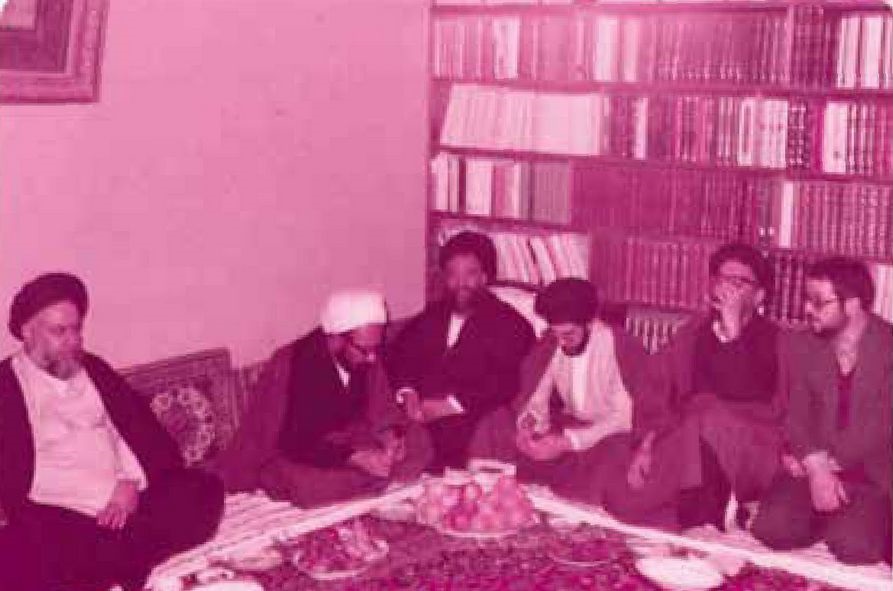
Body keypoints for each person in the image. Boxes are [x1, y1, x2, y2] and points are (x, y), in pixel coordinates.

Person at [0, 272, 224, 591]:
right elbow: (15, 476)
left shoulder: (94, 369)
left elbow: (139, 434)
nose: (73, 340)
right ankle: (124, 559)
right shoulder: (6, 387)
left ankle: (114, 562)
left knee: (203, 490)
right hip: (63, 515)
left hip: (129, 504)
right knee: (20, 550)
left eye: (77, 329)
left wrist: (131, 484)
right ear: (27, 332)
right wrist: (95, 498)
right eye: (59, 331)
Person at [469, 278, 678, 519]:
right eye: (555, 333)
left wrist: (568, 443)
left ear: (590, 322)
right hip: (569, 427)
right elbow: (537, 396)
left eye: (568, 334)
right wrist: (529, 422)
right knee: (496, 423)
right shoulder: (554, 341)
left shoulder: (619, 346)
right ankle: (494, 496)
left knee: (614, 459)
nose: (561, 342)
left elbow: (623, 419)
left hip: (610, 435)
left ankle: (575, 507)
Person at [216, 288, 431, 507]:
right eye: (364, 350)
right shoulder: (292, 363)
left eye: (375, 348)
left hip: (352, 439)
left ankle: (369, 477)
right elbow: (290, 441)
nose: (372, 358)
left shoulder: (367, 356)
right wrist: (355, 458)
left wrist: (391, 438)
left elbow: (383, 408)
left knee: (419, 442)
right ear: (335, 339)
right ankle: (369, 478)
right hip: (301, 452)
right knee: (307, 484)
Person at [627, 242, 785, 531]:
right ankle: (704, 507)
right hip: (686, 434)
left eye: (738, 282)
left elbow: (755, 398)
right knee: (623, 496)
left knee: (706, 415)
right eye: (721, 279)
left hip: (748, 444)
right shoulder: (694, 331)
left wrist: (734, 331)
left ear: (759, 296)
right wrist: (646, 444)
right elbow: (657, 389)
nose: (726, 288)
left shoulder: (775, 339)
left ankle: (715, 510)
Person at [752, 258, 891, 565]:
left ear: (853, 304)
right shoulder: (802, 344)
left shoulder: (889, 347)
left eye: (818, 302)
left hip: (869, 471)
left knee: (854, 548)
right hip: (813, 463)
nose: (807, 309)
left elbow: (881, 427)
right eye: (807, 299)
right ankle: (825, 515)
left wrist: (824, 467)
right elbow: (795, 414)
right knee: (771, 530)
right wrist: (814, 466)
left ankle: (845, 520)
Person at [386, 231, 535, 472]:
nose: (460, 283)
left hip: (470, 415)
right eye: (452, 274)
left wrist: (450, 405)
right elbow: (400, 356)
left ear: (485, 276)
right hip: (418, 412)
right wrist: (407, 392)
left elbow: (506, 380)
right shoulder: (431, 315)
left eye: (470, 274)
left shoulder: (510, 323)